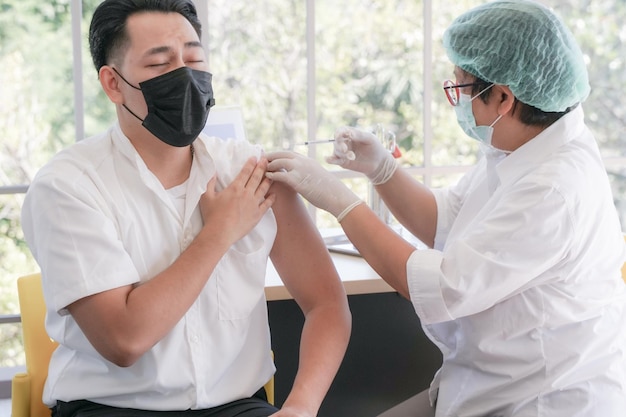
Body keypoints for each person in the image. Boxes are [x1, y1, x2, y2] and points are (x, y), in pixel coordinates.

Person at [265, 0, 626, 416]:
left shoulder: (555, 188)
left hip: (538, 398)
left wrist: (337, 201)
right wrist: (382, 169)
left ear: (504, 98)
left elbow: (442, 287)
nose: (455, 100)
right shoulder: (522, 144)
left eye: (461, 87)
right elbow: (446, 218)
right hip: (484, 379)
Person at [20, 1, 351, 417]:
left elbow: (326, 304)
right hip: (110, 408)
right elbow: (125, 341)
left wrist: (300, 407)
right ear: (113, 83)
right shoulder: (68, 186)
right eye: (160, 65)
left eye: (194, 59)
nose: (186, 77)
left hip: (237, 407)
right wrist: (218, 233)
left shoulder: (250, 173)